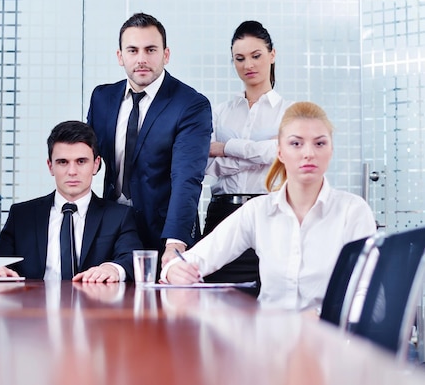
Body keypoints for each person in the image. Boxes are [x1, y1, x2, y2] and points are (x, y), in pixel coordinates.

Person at [161, 102, 377, 311]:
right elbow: (197, 258)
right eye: (296, 143)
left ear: (331, 150)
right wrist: (174, 270)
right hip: (270, 339)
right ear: (280, 152)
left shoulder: (353, 211)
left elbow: (367, 293)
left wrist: (323, 319)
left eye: (320, 143)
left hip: (327, 341)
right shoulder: (258, 211)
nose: (308, 153)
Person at [87, 12, 212, 267]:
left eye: (150, 50)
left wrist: (176, 241)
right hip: (111, 230)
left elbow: (187, 177)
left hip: (164, 233)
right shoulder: (102, 98)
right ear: (120, 57)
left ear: (165, 55)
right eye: (132, 50)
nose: (142, 59)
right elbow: (87, 161)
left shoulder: (190, 105)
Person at [0, 121, 143, 282]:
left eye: (81, 161)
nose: (72, 172)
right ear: (50, 166)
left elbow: (132, 258)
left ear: (96, 164)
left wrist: (112, 268)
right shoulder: (22, 216)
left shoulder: (118, 216)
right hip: (34, 303)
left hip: (95, 303)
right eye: (63, 162)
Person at [203, 21, 292, 289]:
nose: (248, 65)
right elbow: (206, 163)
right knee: (217, 304)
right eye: (239, 59)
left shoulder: (291, 111)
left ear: (272, 55)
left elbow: (280, 154)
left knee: (273, 302)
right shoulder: (219, 112)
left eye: (256, 56)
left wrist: (227, 147)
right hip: (223, 213)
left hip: (271, 214)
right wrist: (256, 155)